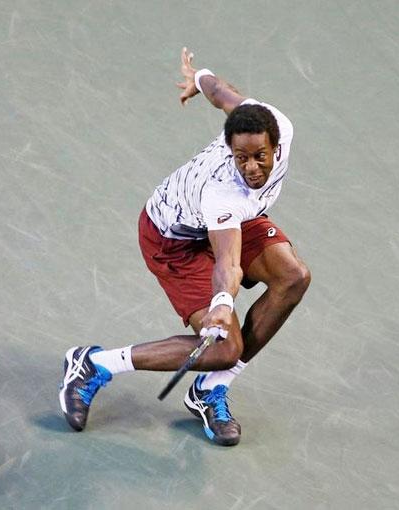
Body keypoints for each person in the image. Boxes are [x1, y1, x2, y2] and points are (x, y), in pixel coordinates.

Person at [59, 48, 311, 446]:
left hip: (236, 220)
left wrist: (199, 78)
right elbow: (227, 262)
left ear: (276, 142)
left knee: (293, 277)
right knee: (224, 347)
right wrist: (221, 306)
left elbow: (222, 94)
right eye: (240, 157)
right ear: (230, 149)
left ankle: (210, 389)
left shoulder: (270, 120)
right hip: (172, 241)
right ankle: (93, 364)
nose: (251, 168)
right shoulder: (223, 191)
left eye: (260, 157)